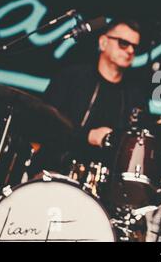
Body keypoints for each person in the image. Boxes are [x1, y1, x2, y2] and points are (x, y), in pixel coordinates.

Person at [33, 18, 148, 173]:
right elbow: (43, 125)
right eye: (123, 43)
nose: (130, 51)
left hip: (102, 187)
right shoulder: (72, 77)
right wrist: (88, 136)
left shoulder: (135, 97)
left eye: (135, 47)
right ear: (103, 42)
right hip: (54, 172)